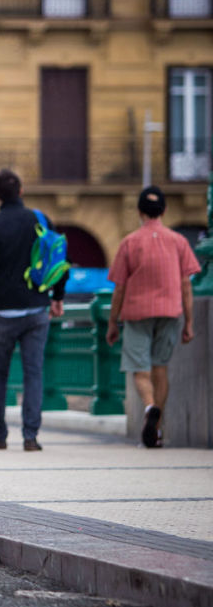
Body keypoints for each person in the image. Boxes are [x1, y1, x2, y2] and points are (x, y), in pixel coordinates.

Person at [0, 167, 67, 451]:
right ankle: (30, 435)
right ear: (21, 192)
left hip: (2, 312)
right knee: (33, 372)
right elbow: (59, 259)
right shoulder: (40, 220)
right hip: (37, 310)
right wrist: (57, 297)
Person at [106, 185, 200, 449]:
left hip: (137, 312)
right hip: (170, 311)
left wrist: (113, 322)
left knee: (140, 369)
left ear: (139, 211)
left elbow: (119, 287)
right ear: (165, 211)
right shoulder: (179, 241)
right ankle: (156, 430)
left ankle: (149, 407)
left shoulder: (129, 242)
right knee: (160, 368)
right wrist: (190, 322)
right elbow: (186, 284)